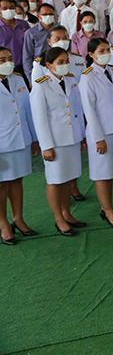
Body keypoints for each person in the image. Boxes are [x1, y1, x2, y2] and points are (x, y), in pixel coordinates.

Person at [30, 47, 86, 237]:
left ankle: (67, 213)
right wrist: (46, 146)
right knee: (55, 180)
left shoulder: (70, 80)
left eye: (66, 61)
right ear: (49, 65)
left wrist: (82, 135)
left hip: (72, 137)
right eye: (60, 62)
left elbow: (77, 109)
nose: (64, 65)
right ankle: (59, 219)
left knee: (68, 178)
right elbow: (40, 119)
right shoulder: (41, 85)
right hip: (55, 141)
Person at [77, 38, 113, 229]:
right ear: (91, 55)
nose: (106, 53)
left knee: (110, 172)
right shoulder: (87, 76)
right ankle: (108, 211)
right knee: (101, 173)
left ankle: (107, 207)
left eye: (107, 49)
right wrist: (98, 138)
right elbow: (89, 110)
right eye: (101, 50)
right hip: (101, 132)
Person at [0, 47, 37, 245]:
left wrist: (34, 138)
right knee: (0, 184)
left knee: (17, 180)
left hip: (20, 138)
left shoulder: (18, 79)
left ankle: (18, 219)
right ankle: (3, 223)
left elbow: (28, 111)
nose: (7, 62)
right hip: (1, 143)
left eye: (10, 58)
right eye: (2, 60)